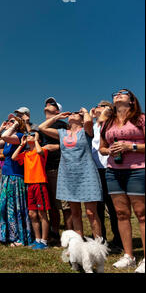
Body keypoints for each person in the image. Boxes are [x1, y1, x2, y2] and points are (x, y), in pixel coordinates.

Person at [39, 108, 103, 240]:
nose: (72, 114)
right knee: (75, 212)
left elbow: (89, 121)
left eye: (76, 113)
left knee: (91, 213)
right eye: (71, 113)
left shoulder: (86, 131)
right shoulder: (62, 133)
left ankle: (99, 245)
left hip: (86, 174)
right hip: (68, 175)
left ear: (81, 118)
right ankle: (78, 243)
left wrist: (85, 112)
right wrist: (57, 117)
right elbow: (42, 127)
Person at [99, 89, 145, 273]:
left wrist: (130, 146)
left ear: (132, 101)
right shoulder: (108, 123)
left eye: (123, 93)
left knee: (142, 214)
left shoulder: (141, 119)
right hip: (113, 171)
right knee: (121, 213)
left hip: (138, 170)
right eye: (115, 93)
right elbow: (102, 147)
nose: (118, 94)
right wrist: (109, 151)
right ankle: (129, 256)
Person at [0, 115, 33, 247]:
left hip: (16, 176)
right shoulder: (8, 140)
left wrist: (16, 124)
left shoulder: (20, 136)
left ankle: (18, 237)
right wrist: (0, 128)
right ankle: (6, 235)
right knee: (4, 205)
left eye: (11, 122)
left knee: (14, 207)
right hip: (6, 175)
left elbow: (4, 137)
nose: (8, 123)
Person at [90, 101, 123, 251]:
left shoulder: (111, 124)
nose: (96, 107)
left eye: (100, 105)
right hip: (95, 170)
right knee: (98, 207)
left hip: (109, 168)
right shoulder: (93, 127)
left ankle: (119, 240)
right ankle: (100, 240)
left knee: (113, 206)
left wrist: (103, 112)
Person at [39, 97, 73, 244]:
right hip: (46, 168)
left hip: (60, 167)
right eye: (46, 103)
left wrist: (58, 146)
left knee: (65, 205)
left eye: (51, 104)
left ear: (58, 110)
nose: (47, 105)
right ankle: (54, 232)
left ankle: (70, 234)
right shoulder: (41, 126)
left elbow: (73, 142)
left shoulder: (62, 125)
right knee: (52, 205)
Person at [12, 131, 50, 250]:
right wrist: (21, 144)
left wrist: (36, 139)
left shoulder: (42, 149)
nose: (29, 136)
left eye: (32, 135)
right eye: (28, 134)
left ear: (37, 139)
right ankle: (37, 239)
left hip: (39, 183)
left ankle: (44, 241)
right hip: (29, 184)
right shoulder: (26, 153)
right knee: (32, 214)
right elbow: (14, 157)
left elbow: (39, 151)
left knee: (42, 213)